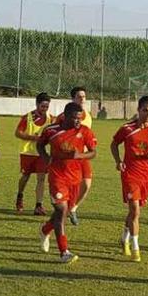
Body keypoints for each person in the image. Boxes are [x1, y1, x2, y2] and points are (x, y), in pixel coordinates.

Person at [111, 95, 148, 262]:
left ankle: (124, 238)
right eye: (145, 110)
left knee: (133, 212)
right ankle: (135, 248)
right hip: (130, 174)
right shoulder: (127, 129)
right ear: (138, 110)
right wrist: (118, 161)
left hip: (147, 177)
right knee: (135, 211)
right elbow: (114, 144)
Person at [38, 102, 97, 263]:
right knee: (62, 210)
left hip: (75, 178)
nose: (78, 121)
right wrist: (46, 158)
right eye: (75, 118)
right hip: (57, 177)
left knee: (61, 214)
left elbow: (93, 152)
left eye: (80, 118)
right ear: (65, 116)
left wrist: (80, 156)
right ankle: (64, 252)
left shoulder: (85, 131)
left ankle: (45, 230)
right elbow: (40, 145)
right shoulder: (51, 130)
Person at [54, 86, 93, 225]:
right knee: (66, 187)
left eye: (84, 96)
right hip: (65, 159)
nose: (82, 99)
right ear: (73, 99)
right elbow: (54, 135)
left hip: (81, 156)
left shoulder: (87, 115)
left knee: (87, 185)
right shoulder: (62, 117)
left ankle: (73, 208)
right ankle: (63, 206)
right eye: (79, 96)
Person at [15, 93, 53, 215]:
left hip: (41, 154)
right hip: (27, 153)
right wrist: (33, 138)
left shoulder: (51, 119)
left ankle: (38, 205)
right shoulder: (27, 118)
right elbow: (18, 133)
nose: (45, 109)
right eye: (42, 106)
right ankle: (20, 195)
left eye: (47, 106)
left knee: (41, 178)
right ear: (37, 104)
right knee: (25, 177)